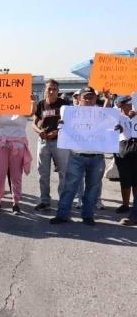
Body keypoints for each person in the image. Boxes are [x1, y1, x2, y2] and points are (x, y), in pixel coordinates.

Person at [50, 87, 108, 226]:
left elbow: (112, 128)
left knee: (93, 188)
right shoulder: (70, 113)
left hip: (97, 157)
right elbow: (63, 126)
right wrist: (61, 124)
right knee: (70, 187)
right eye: (85, 97)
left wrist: (118, 127)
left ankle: (88, 215)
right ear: (79, 99)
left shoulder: (104, 114)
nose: (88, 100)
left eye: (91, 97)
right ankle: (62, 215)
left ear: (95, 98)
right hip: (76, 156)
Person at [33, 79, 70, 211]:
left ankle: (63, 202)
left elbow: (70, 123)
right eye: (49, 89)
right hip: (43, 142)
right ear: (45, 90)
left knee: (63, 173)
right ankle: (44, 200)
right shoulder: (41, 104)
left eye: (54, 89)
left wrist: (57, 132)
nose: (52, 91)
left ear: (58, 91)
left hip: (60, 142)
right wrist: (39, 131)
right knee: (43, 173)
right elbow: (34, 123)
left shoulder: (65, 104)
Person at [0, 112, 33, 214]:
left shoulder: (23, 102)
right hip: (0, 143)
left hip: (18, 145)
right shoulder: (1, 100)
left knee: (16, 176)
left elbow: (32, 111)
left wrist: (31, 101)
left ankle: (16, 203)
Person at [114, 95, 137, 216]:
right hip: (122, 148)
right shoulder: (116, 116)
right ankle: (125, 204)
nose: (130, 105)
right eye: (128, 103)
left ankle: (135, 204)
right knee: (125, 178)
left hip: (135, 144)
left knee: (136, 179)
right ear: (121, 105)